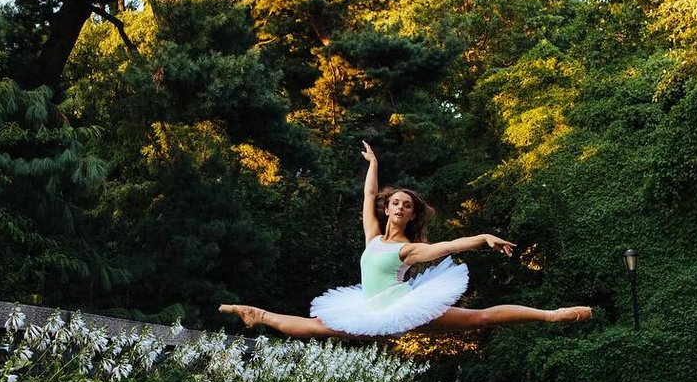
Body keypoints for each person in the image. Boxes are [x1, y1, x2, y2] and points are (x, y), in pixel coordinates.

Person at [219, 141, 593, 337]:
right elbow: (367, 197)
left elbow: (446, 247)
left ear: (412, 215)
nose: (399, 208)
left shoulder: (407, 249)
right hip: (367, 309)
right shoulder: (372, 238)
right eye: (395, 203)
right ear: (387, 209)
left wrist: (482, 237)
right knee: (318, 328)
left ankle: (551, 315)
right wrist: (373, 166)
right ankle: (259, 314)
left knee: (478, 319)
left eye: (406, 206)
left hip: (402, 307)